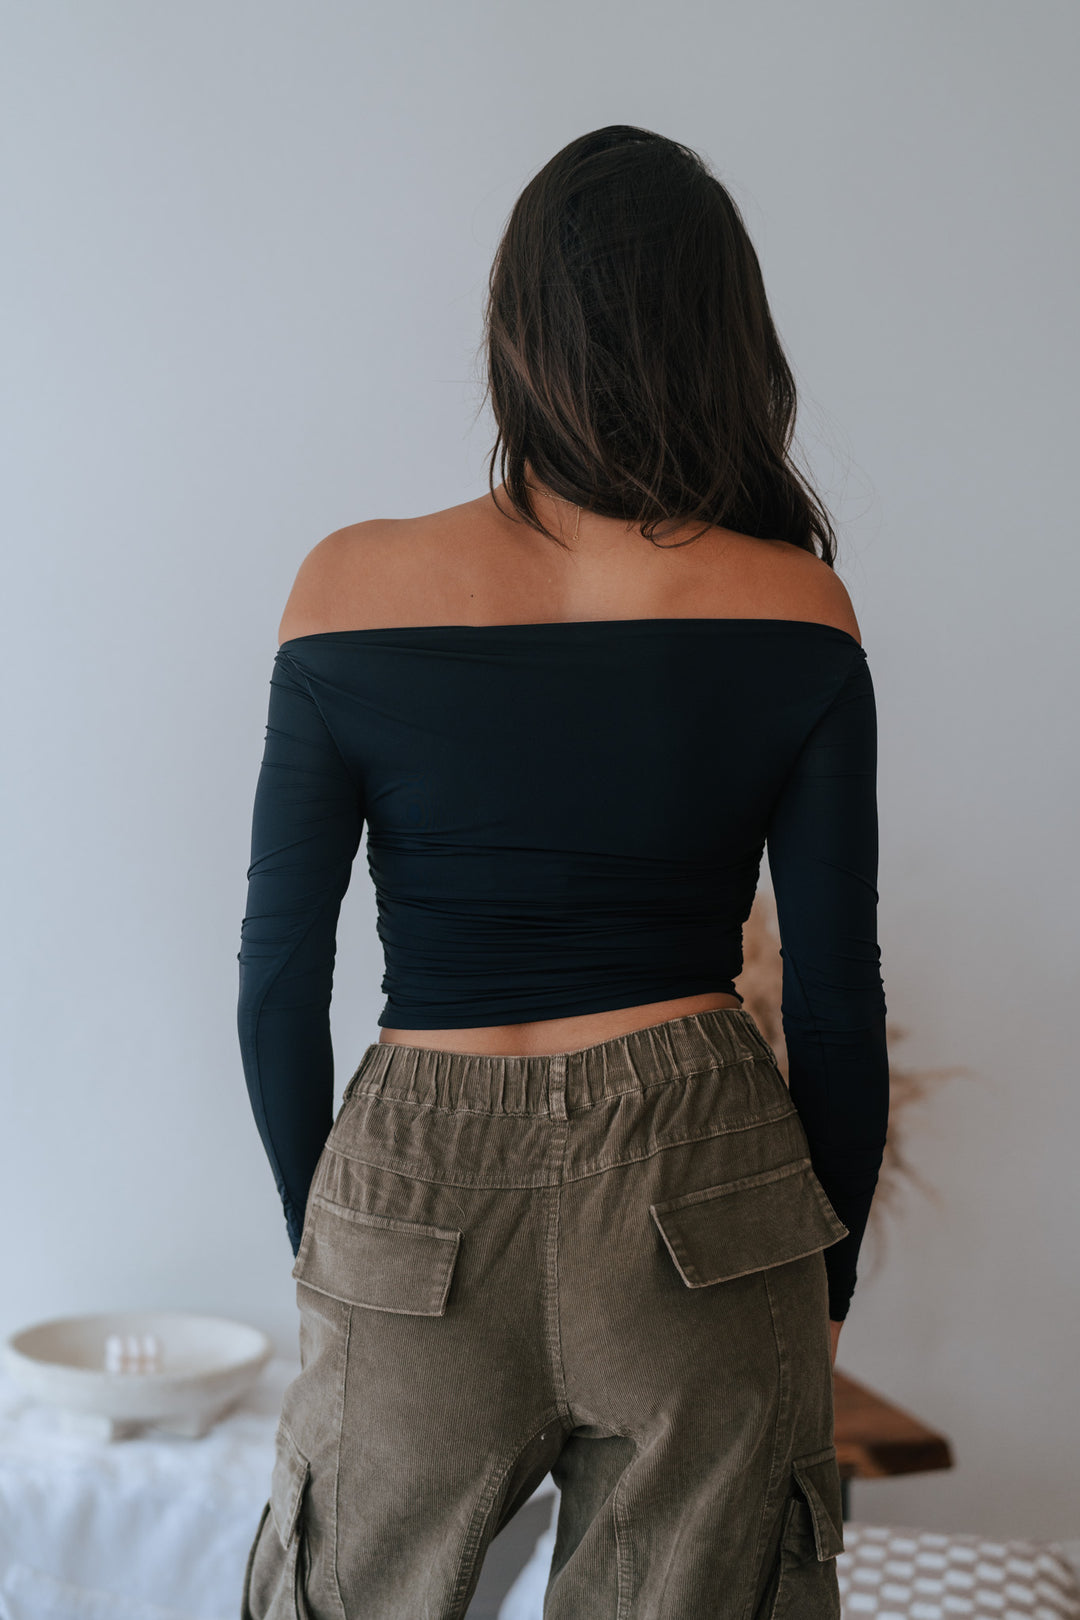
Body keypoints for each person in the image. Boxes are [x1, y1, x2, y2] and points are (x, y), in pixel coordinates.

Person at [237, 124, 888, 1620]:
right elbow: (836, 1003)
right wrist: (826, 1285)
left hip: (414, 1187)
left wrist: (326, 1247)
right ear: (731, 344)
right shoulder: (799, 605)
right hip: (704, 1184)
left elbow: (277, 985)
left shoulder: (346, 585)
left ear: (513, 331)